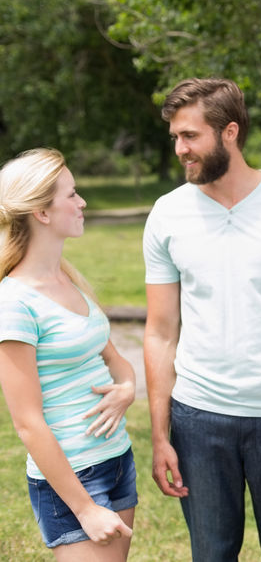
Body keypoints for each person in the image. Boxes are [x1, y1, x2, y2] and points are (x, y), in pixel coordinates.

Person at [143, 78, 261, 561]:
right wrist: (160, 435)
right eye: (175, 137)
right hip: (198, 418)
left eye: (190, 136)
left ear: (229, 131)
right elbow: (160, 332)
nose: (180, 149)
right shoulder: (167, 215)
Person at [0, 148, 137, 560]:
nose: (82, 203)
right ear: (42, 212)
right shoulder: (14, 302)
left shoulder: (69, 280)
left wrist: (128, 387)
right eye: (72, 194)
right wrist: (84, 508)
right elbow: (26, 422)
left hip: (115, 459)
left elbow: (114, 358)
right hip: (73, 479)